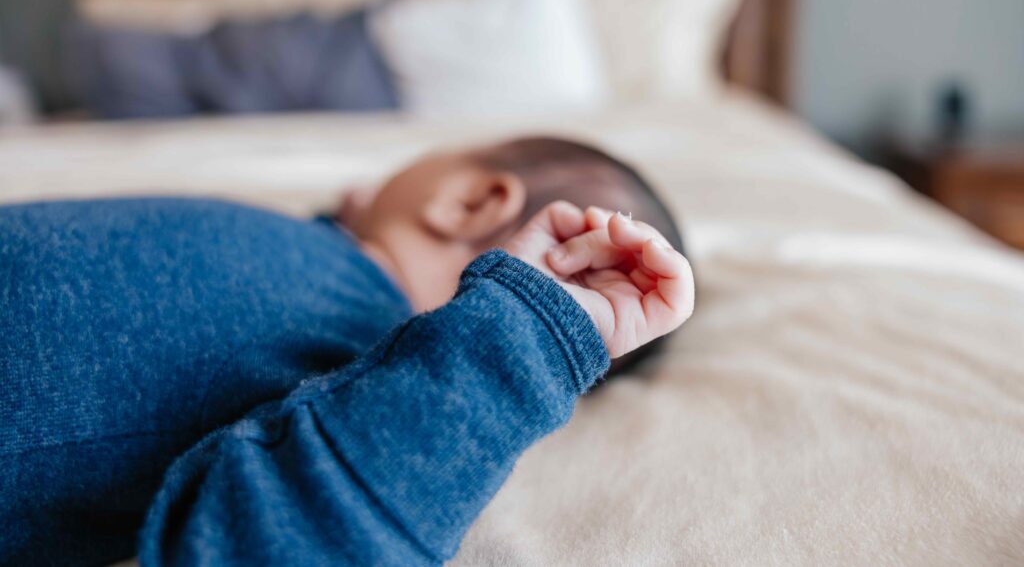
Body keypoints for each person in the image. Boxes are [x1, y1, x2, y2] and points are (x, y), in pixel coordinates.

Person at [0, 136, 694, 566]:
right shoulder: (314, 261)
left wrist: (524, 339)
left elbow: (300, 536)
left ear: (468, 202)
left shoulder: (365, 377)